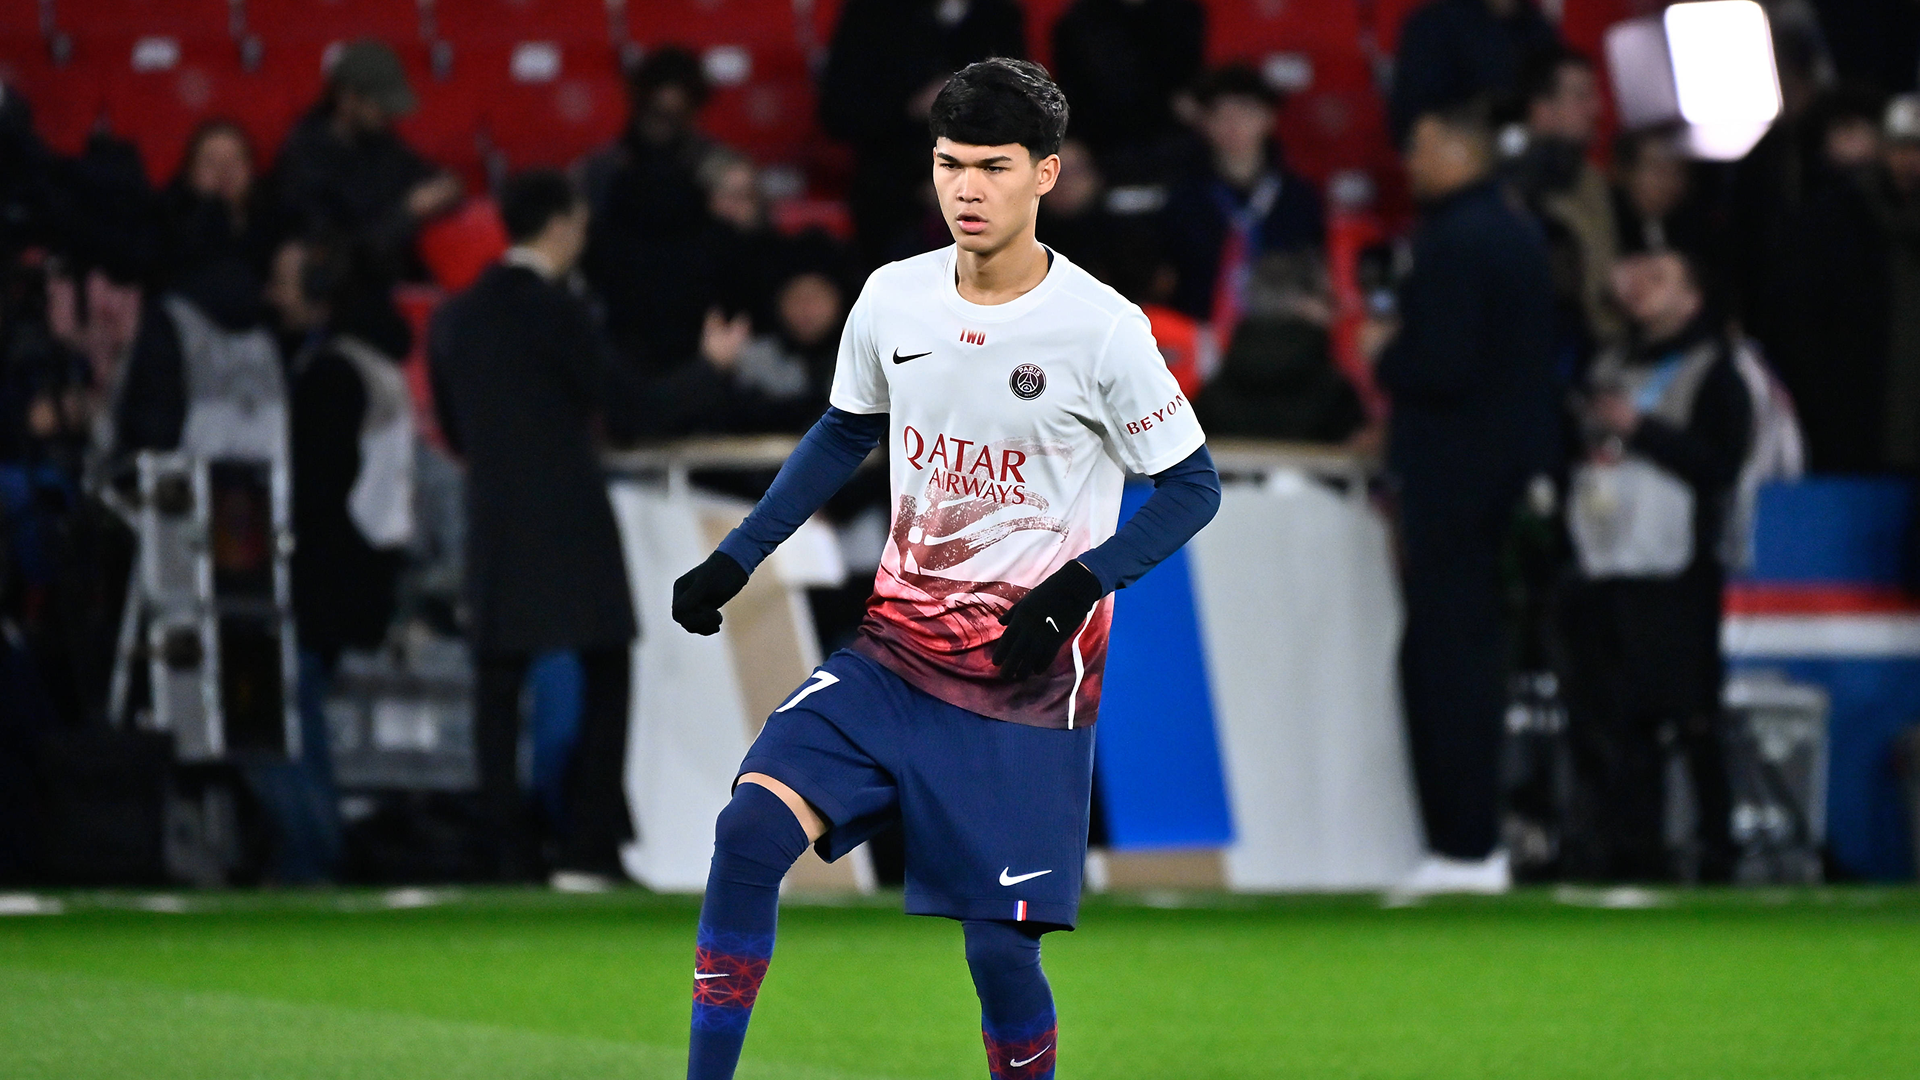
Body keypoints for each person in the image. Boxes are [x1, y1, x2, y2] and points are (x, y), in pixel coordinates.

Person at [666, 59, 1219, 1080]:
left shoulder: (1103, 329)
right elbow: (841, 436)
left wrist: (1074, 589)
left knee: (998, 955)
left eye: (994, 167)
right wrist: (735, 560)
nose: (966, 189)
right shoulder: (893, 299)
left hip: (1023, 691)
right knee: (748, 831)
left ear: (1045, 176)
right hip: (891, 660)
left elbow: (1193, 488)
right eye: (949, 164)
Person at [427, 170, 636, 885]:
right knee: (607, 667)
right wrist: (711, 371)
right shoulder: (561, 312)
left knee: (496, 683)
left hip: (493, 518)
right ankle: (588, 848)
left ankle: (503, 852)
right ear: (559, 225)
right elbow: (618, 402)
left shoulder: (455, 317)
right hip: (572, 519)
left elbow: (454, 429)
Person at [1373, 99, 1555, 894]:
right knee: (1468, 653)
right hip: (1498, 479)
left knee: (1444, 658)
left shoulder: (1457, 241)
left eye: (1419, 146)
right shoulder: (1513, 232)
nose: (1408, 164)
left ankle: (1463, 845)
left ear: (1457, 149)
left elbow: (1441, 366)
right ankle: (1472, 841)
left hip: (1455, 478)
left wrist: (1385, 358)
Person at [1561, 250, 1750, 881]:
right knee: (1612, 720)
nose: (1641, 286)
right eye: (1637, 273)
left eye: (1662, 278)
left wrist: (1641, 430)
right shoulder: (1607, 361)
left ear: (1693, 299)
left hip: (1676, 572)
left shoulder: (1716, 369)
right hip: (1603, 560)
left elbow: (1722, 463)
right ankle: (1625, 852)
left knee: (1691, 716)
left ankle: (1717, 848)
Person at [819, 0, 1027, 262]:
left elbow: (1019, 110)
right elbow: (838, 112)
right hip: (893, 186)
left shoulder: (999, 14)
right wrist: (911, 107)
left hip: (984, 176)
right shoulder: (871, 14)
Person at [581, 46, 718, 368]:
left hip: (700, 313)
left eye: (675, 114)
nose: (664, 124)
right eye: (656, 112)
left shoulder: (718, 169)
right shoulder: (601, 170)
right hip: (619, 315)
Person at [1160, 64, 1324, 329]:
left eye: (1245, 111)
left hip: (1286, 330)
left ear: (1269, 118)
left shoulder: (1299, 197)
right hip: (1204, 331)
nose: (1233, 124)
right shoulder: (1184, 200)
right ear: (1204, 123)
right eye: (1220, 114)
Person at [274, 40, 462, 269]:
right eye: (379, 103)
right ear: (347, 98)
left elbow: (431, 178)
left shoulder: (379, 141)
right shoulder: (305, 157)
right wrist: (408, 212)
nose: (389, 113)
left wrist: (447, 188)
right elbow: (337, 251)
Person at [1505, 46, 1620, 351]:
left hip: (1601, 348)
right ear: (1541, 111)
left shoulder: (1591, 177)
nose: (1596, 109)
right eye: (1581, 97)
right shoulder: (1508, 191)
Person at [1048, 0, 1205, 177]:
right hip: (1100, 139)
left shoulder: (1182, 14)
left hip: (1169, 133)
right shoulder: (1076, 23)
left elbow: (1188, 87)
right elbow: (1071, 93)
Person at [1387, 0, 1561, 146]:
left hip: (1533, 162)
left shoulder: (1539, 30)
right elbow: (1413, 122)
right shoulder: (1436, 25)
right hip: (1459, 165)